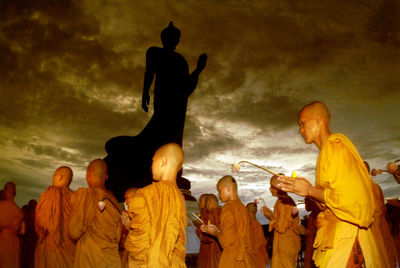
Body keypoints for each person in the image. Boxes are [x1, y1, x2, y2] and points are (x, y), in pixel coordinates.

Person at [278, 101, 382, 267]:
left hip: (348, 237)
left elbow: (348, 199)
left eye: (303, 124)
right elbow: (332, 199)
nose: (301, 130)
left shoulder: (335, 147)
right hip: (337, 235)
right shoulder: (326, 151)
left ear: (318, 119)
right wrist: (309, 191)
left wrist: (310, 190)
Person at [124, 143, 187, 267]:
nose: (151, 166)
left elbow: (155, 244)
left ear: (163, 161)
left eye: (153, 161)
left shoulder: (149, 193)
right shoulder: (180, 197)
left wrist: (131, 227)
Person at [68, 159, 122, 268]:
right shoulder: (115, 203)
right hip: (111, 259)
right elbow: (118, 236)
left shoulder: (86, 196)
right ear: (106, 177)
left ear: (88, 174)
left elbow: (74, 232)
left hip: (89, 259)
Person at [201, 175, 256, 268]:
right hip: (245, 257)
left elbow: (228, 240)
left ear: (229, 188)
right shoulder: (242, 207)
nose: (218, 195)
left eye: (219, 190)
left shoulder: (228, 207)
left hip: (233, 257)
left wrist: (216, 233)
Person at [34, 166, 76, 268]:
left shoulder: (50, 194)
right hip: (71, 246)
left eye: (54, 175)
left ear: (60, 177)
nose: (53, 178)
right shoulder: (76, 197)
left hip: (51, 244)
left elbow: (41, 221)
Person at [261, 175, 300, 268]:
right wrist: (271, 214)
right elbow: (282, 222)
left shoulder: (284, 202)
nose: (270, 188)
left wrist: (270, 216)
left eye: (272, 186)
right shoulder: (282, 201)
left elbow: (281, 227)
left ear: (281, 186)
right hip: (284, 244)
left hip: (285, 246)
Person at [363, 161, 397, 268]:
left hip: (374, 229)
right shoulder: (374, 186)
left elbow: (380, 209)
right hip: (378, 229)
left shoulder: (370, 187)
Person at [0, 182, 25, 268]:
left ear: (5, 191)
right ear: (15, 194)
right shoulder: (19, 211)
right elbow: (23, 231)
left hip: (2, 240)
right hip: (14, 242)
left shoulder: (1, 206)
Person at [199, 194, 222, 268]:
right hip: (209, 249)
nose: (205, 206)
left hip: (214, 249)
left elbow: (212, 232)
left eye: (206, 203)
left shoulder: (214, 213)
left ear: (211, 202)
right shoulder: (209, 213)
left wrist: (202, 232)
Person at [247, 202, 268, 268]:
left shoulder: (252, 225)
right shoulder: (256, 224)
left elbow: (259, 242)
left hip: (255, 256)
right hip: (258, 256)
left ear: (246, 210)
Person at [120, 187, 137, 268]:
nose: (125, 202)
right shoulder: (128, 214)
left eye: (127, 198)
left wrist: (131, 228)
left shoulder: (144, 215)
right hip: (128, 253)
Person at [303, 197, 320, 268]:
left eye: (306, 203)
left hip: (315, 246)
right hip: (311, 246)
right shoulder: (312, 215)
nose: (305, 205)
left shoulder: (318, 215)